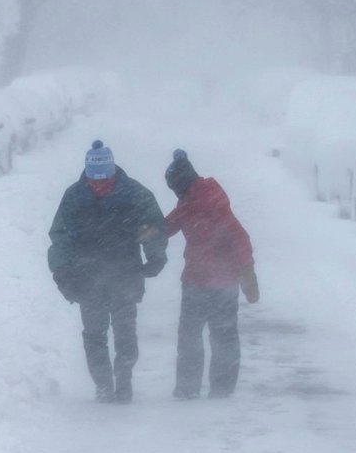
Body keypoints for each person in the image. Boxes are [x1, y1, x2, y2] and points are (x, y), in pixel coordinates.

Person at [48, 140, 168, 403]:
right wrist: (62, 272)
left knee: (125, 332)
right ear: (87, 174)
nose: (100, 186)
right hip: (88, 279)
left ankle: (124, 379)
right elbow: (60, 238)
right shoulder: (74, 197)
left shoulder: (135, 194)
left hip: (125, 275)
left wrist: (155, 255)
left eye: (105, 180)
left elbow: (152, 228)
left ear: (114, 170)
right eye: (95, 181)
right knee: (94, 335)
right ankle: (103, 383)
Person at [163, 149, 258, 399]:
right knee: (224, 336)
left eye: (175, 188)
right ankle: (222, 389)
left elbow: (167, 226)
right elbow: (241, 241)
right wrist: (247, 275)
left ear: (181, 185)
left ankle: (187, 388)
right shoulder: (198, 198)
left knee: (190, 338)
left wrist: (149, 232)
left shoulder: (195, 204)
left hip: (199, 283)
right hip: (221, 284)